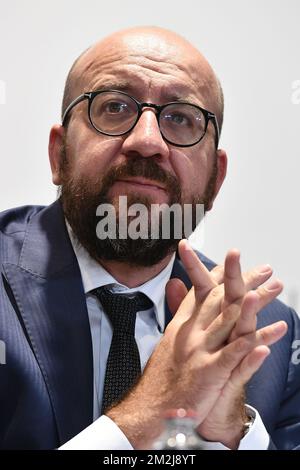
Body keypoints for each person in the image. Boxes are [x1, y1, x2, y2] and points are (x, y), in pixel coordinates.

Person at [0, 26, 299, 451]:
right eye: (115, 107)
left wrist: (229, 434)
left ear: (215, 181)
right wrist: (146, 414)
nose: (147, 141)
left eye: (180, 118)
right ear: (58, 154)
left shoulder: (272, 338)